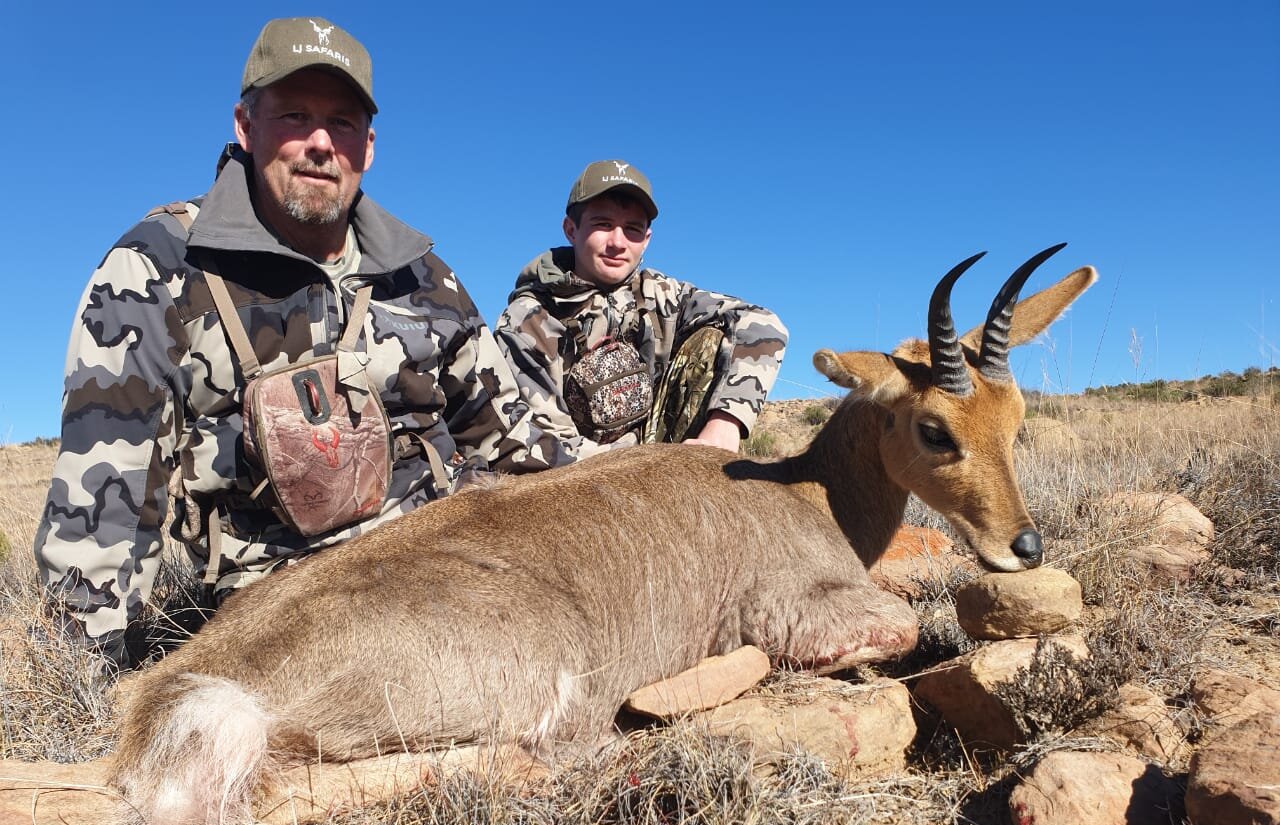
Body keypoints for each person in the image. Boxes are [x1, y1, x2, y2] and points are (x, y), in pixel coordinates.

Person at [35, 18, 565, 668]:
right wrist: (89, 676)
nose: (319, 143)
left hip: (454, 573)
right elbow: (106, 501)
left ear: (367, 147)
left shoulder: (424, 274)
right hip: (278, 619)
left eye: (341, 123)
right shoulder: (158, 268)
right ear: (245, 126)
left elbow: (509, 435)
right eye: (293, 115)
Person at [495, 160, 788, 460]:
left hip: (653, 461)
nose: (617, 243)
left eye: (632, 229)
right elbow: (545, 440)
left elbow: (763, 323)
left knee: (711, 342)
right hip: (575, 481)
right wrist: (641, 477)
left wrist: (726, 424)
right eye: (603, 224)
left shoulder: (661, 294)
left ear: (646, 240)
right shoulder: (526, 319)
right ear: (571, 229)